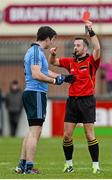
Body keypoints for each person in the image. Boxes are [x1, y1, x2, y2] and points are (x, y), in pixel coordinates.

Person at [15, 26, 72, 174]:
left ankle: (22, 165)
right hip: (35, 93)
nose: (52, 43)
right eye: (52, 39)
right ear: (47, 38)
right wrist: (54, 82)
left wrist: (63, 78)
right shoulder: (35, 51)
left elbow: (44, 71)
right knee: (36, 131)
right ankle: (29, 167)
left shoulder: (36, 52)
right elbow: (36, 74)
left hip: (33, 93)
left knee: (32, 130)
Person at [49, 20, 101, 174]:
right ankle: (69, 165)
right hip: (72, 101)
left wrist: (91, 30)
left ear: (85, 48)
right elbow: (52, 62)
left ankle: (96, 166)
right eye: (74, 45)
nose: (75, 47)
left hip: (87, 101)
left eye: (77, 45)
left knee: (89, 134)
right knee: (66, 135)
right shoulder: (70, 62)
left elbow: (97, 47)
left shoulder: (92, 61)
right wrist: (52, 54)